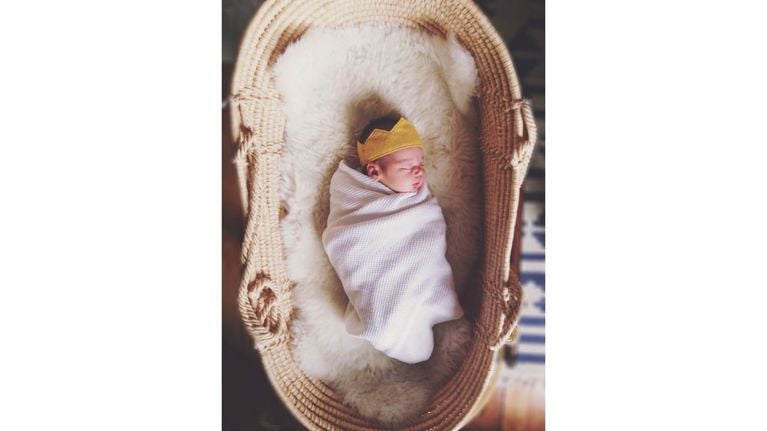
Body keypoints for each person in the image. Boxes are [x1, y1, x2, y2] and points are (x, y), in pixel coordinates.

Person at [321, 115, 464, 363]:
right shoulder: (354, 200)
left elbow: (428, 236)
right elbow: (345, 238)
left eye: (421, 162)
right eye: (407, 167)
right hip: (381, 283)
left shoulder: (419, 203)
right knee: (384, 323)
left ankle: (414, 316)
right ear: (375, 172)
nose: (419, 171)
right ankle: (391, 328)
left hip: (418, 278)